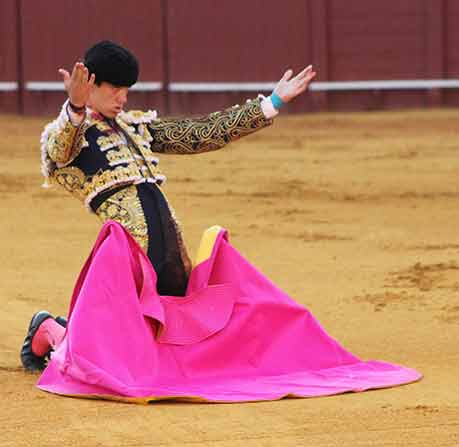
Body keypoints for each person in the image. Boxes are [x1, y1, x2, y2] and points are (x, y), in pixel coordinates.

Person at [21, 40, 316, 371]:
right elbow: (60, 150)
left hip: (170, 248)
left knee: (169, 340)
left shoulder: (136, 127)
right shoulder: (67, 134)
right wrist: (74, 107)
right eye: (115, 88)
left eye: (127, 90)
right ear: (89, 83)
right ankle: (49, 329)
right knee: (108, 358)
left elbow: (197, 134)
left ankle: (68, 333)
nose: (123, 98)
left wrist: (271, 103)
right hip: (127, 257)